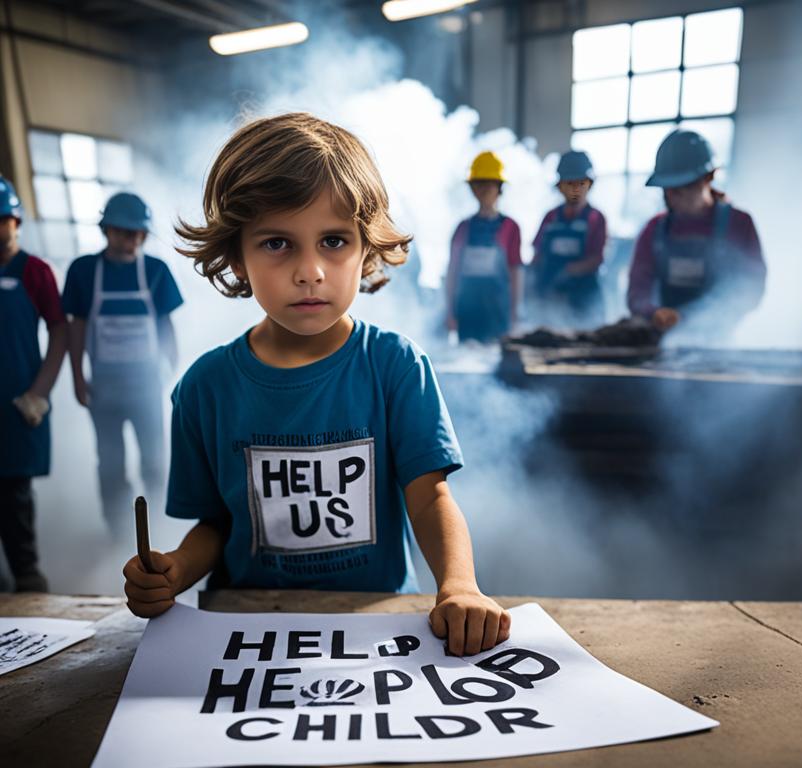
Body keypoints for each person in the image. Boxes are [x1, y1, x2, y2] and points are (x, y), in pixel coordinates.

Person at [122, 113, 511, 657]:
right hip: (243, 636)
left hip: (376, 630)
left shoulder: (395, 366)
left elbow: (429, 498)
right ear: (236, 254)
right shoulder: (204, 387)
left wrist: (460, 585)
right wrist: (174, 571)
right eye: (277, 243)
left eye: (333, 240)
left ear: (366, 248)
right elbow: (215, 523)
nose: (310, 271)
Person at [62, 192, 183, 539]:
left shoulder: (156, 270)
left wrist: (168, 371)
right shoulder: (84, 271)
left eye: (139, 234)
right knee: (112, 465)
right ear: (107, 230)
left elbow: (166, 327)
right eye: (125, 232)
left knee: (155, 464)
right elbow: (77, 326)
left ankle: (159, 531)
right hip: (103, 386)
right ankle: (118, 533)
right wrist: (77, 378)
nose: (133, 240)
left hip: (145, 384)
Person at [627, 129, 765, 339]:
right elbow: (638, 289)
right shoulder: (654, 230)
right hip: (665, 342)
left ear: (708, 178)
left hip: (717, 343)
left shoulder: (738, 225)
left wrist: (695, 318)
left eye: (681, 188)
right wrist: (652, 312)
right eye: (667, 189)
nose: (673, 197)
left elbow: (751, 287)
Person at [0, 176, 67, 592]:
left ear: (16, 220)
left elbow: (60, 332)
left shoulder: (35, 272)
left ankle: (28, 580)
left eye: (0, 220)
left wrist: (39, 392)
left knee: (14, 496)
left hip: (16, 405)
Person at [445, 151, 522, 342]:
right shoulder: (462, 228)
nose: (485, 190)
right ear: (472, 188)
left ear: (499, 187)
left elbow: (516, 272)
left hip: (498, 314)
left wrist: (515, 313)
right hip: (467, 314)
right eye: (479, 184)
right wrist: (450, 312)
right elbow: (452, 272)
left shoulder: (510, 227)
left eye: (489, 184)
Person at [531, 150, 607, 327]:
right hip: (549, 300)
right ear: (559, 186)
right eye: (569, 183)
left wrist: (567, 272)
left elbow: (596, 259)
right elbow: (538, 255)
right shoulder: (550, 218)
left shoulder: (596, 219)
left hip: (584, 302)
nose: (574, 189)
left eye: (580, 183)